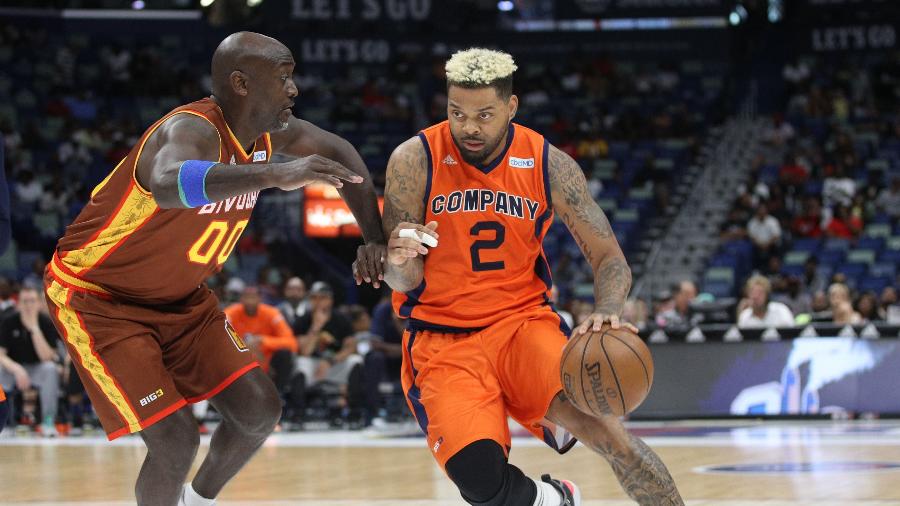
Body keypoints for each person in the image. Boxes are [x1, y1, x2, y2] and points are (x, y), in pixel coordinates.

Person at [43, 32, 385, 506]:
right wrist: (273, 174)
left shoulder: (270, 135)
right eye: (284, 78)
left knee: (259, 411)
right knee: (176, 440)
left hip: (183, 299)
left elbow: (341, 154)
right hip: (100, 299)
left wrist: (373, 237)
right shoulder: (190, 129)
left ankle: (199, 501)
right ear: (241, 83)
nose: (294, 89)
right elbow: (167, 183)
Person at [375, 48, 683, 506]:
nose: (469, 127)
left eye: (484, 114)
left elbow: (609, 257)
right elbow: (402, 282)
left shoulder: (548, 164)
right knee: (479, 481)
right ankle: (551, 500)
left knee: (615, 441)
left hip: (523, 327)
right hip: (444, 340)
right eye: (457, 113)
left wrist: (608, 311)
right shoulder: (413, 160)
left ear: (511, 107)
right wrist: (398, 260)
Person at [0, 286, 61, 436]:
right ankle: (4, 422)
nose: (28, 305)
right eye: (25, 301)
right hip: (13, 370)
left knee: (50, 369)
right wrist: (17, 369)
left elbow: (47, 356)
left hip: (37, 368)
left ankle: (48, 421)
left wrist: (34, 328)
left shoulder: (46, 322)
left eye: (32, 301)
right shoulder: (8, 322)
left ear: (39, 303)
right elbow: (1, 354)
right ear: (18, 304)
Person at [224, 285, 297, 376]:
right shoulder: (231, 312)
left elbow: (292, 343)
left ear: (260, 298)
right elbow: (221, 338)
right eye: (247, 297)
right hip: (238, 362)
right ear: (241, 299)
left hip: (266, 362)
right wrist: (244, 345)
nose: (250, 301)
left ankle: (281, 389)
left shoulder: (272, 313)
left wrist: (262, 341)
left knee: (284, 354)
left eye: (253, 297)